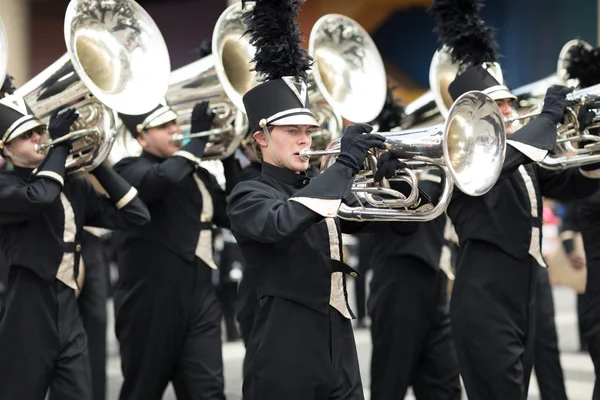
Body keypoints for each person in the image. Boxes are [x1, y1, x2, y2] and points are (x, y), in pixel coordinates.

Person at [430, 1, 600, 399]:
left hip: (525, 290)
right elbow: (503, 161)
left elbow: (571, 185)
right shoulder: (461, 160)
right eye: (497, 105)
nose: (508, 110)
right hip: (484, 293)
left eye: (507, 102)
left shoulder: (519, 157)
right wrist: (548, 117)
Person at [0, 95, 150, 399]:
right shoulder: (6, 186)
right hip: (26, 315)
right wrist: (59, 147)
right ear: (5, 148)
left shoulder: (73, 185)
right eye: (25, 136)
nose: (37, 138)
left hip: (70, 315)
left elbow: (137, 215)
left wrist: (96, 163)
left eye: (38, 131)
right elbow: (40, 196)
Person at [113, 99, 239, 400]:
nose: (175, 131)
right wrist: (196, 138)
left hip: (202, 295)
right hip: (149, 299)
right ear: (142, 137)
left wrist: (230, 156)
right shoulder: (129, 169)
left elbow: (234, 214)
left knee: (208, 391)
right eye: (163, 127)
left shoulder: (199, 174)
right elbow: (163, 179)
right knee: (142, 390)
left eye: (175, 124)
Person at [366, 89, 461, 400]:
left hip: (435, 281)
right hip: (398, 281)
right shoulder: (384, 169)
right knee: (390, 383)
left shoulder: (439, 169)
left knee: (444, 385)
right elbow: (408, 216)